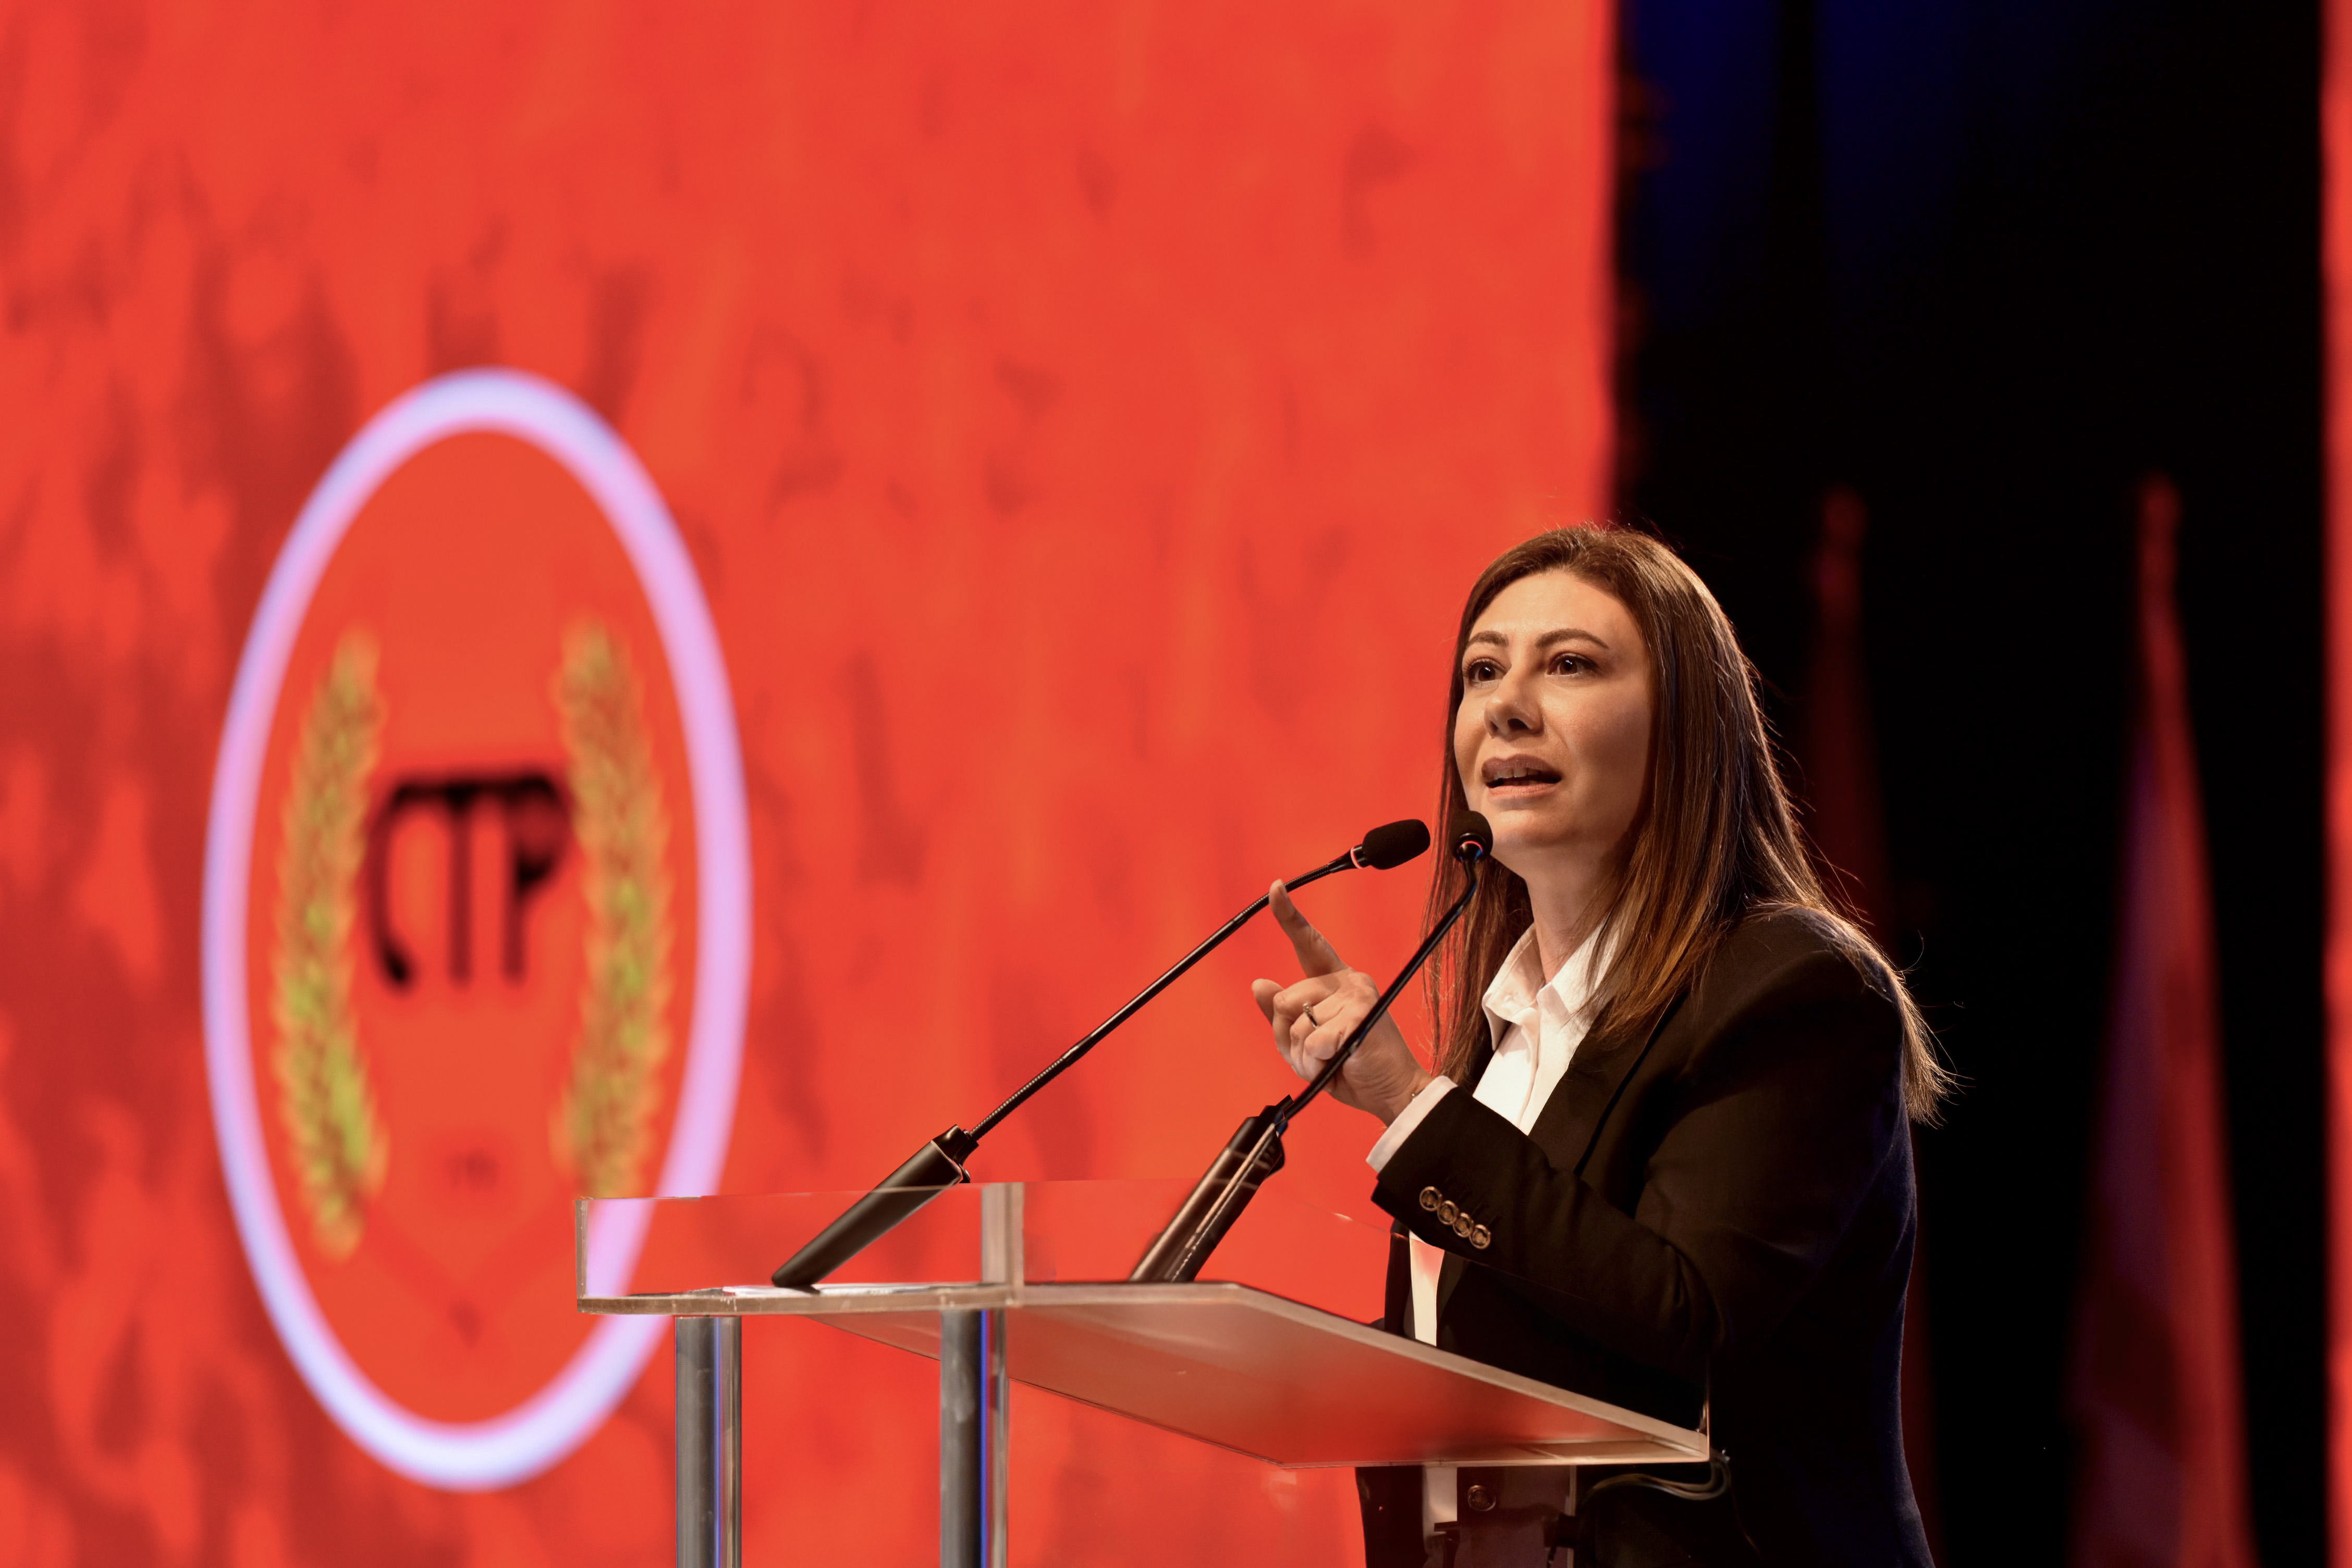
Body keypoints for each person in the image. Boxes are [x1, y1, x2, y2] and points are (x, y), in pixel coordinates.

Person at [1252, 526, 1947, 1568]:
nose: (1507, 706)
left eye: (1570, 664)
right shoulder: (1509, 1037)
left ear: (1684, 727)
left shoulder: (1792, 988)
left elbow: (1685, 1312)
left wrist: (1409, 1104)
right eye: (1482, 670)